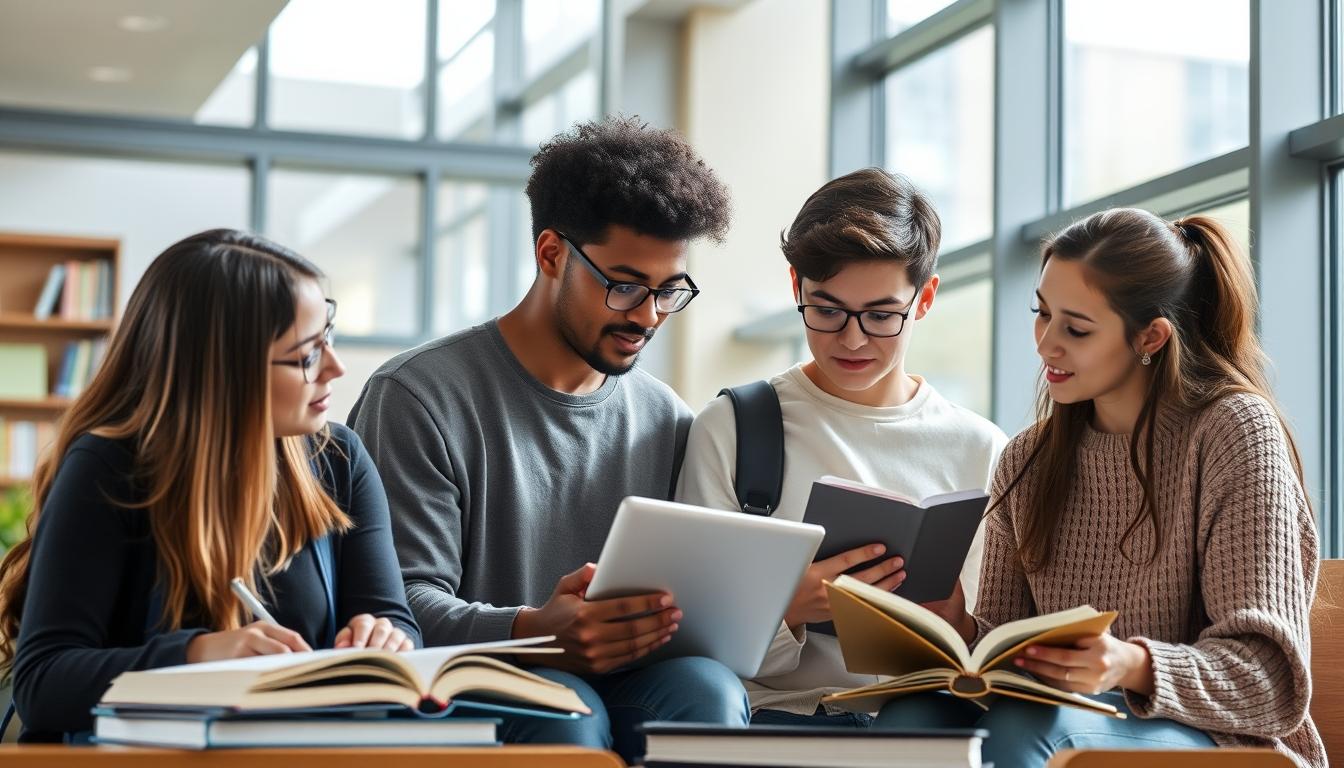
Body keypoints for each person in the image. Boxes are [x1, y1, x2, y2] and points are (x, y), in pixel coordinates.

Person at [347, 116, 747, 764]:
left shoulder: (667, 419)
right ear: (552, 254)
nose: (646, 315)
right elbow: (400, 606)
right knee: (565, 710)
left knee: (707, 691)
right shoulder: (419, 396)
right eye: (623, 284)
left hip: (627, 678)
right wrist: (535, 633)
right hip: (465, 681)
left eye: (668, 290)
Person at [873, 208, 1325, 768]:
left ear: (1151, 336)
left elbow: (1270, 680)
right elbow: (1009, 655)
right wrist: (961, 629)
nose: (1046, 345)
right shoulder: (1030, 457)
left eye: (1077, 328)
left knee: (1030, 728)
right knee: (908, 719)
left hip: (1226, 743)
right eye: (1041, 314)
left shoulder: (1233, 431)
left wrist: (1130, 665)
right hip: (1061, 717)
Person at [0, 229, 420, 743]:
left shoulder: (339, 460)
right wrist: (198, 656)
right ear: (226, 370)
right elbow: (43, 685)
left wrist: (385, 638)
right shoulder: (108, 467)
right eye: (306, 354)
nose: (335, 367)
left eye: (326, 336)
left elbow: (396, 623)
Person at [677, 168, 1006, 726]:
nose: (852, 339)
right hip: (767, 716)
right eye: (827, 310)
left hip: (921, 723)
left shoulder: (982, 449)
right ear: (796, 289)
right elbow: (692, 639)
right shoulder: (733, 427)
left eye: (881, 315)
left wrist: (961, 627)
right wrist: (787, 611)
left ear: (924, 299)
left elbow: (999, 647)